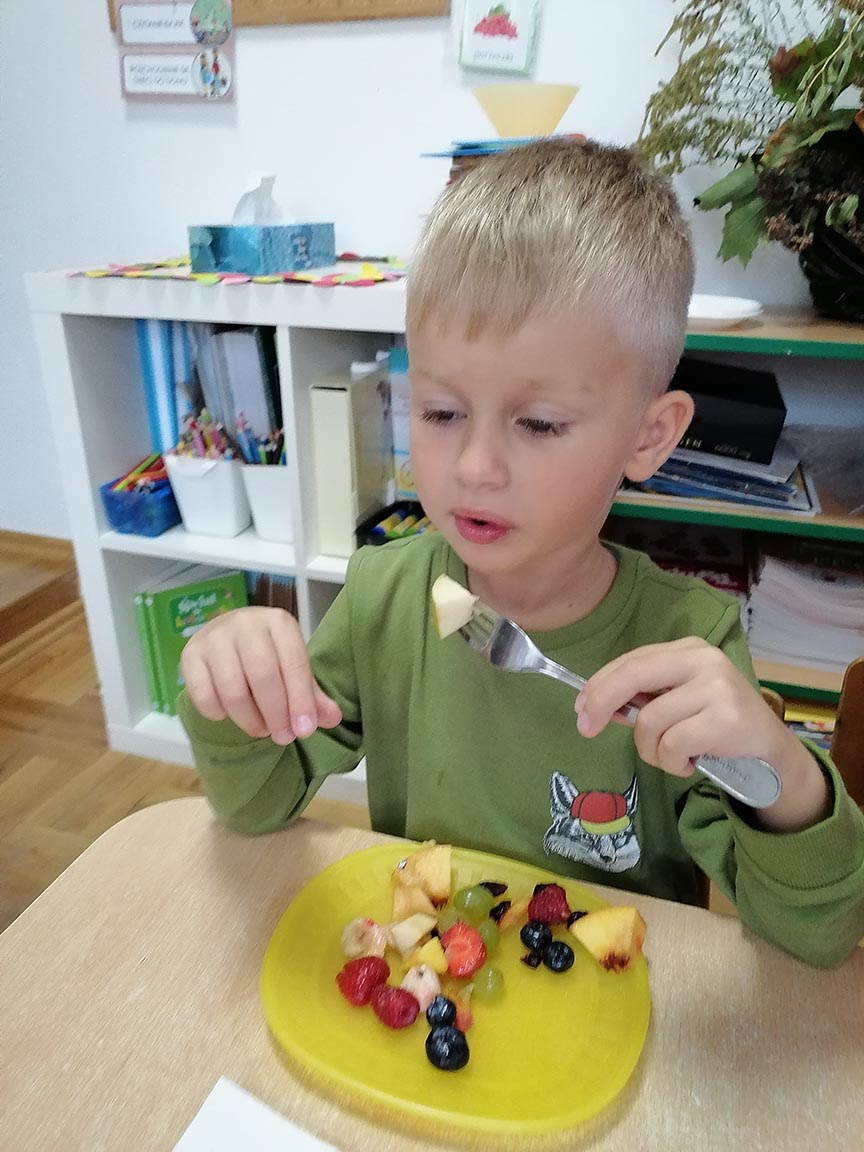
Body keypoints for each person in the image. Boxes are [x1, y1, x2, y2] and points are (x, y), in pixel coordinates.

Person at [178, 139, 864, 967]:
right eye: (440, 412)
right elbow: (256, 805)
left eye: (538, 424)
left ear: (650, 437)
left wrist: (788, 776)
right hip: (439, 1002)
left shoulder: (688, 641)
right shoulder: (383, 598)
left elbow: (815, 936)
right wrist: (233, 696)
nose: (474, 467)